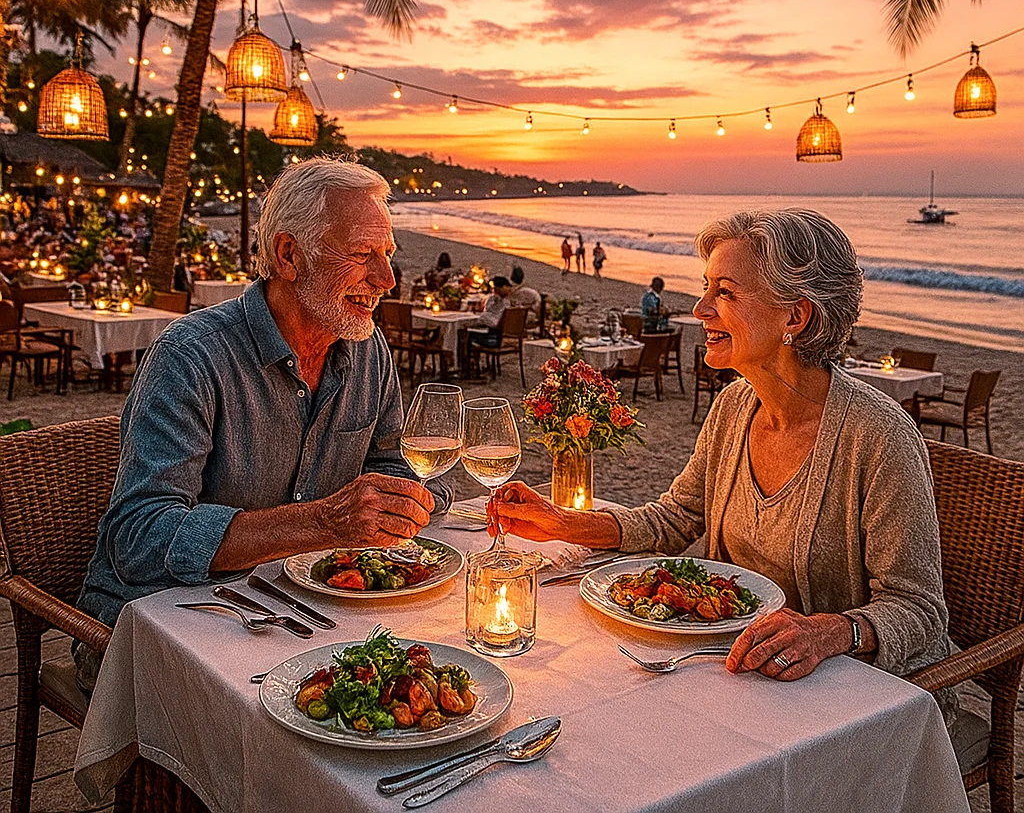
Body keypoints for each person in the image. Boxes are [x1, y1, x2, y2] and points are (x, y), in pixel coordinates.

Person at [488, 209, 953, 717]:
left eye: (726, 292)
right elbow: (674, 520)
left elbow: (920, 610)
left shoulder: (878, 435)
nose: (701, 307)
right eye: (707, 287)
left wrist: (829, 631)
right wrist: (564, 523)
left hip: (852, 701)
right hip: (735, 673)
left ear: (795, 317)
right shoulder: (734, 406)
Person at [75, 159, 450, 687]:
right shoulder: (191, 356)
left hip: (298, 611)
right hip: (160, 625)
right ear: (289, 255)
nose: (387, 280)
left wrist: (407, 499)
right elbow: (138, 539)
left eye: (387, 255)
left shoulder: (368, 350)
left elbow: (389, 462)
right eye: (363, 255)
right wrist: (322, 523)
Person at [459, 275, 514, 373]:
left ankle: (465, 366)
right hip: (497, 336)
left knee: (464, 335)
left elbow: (492, 320)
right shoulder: (506, 302)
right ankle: (470, 364)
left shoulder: (497, 301)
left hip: (492, 338)